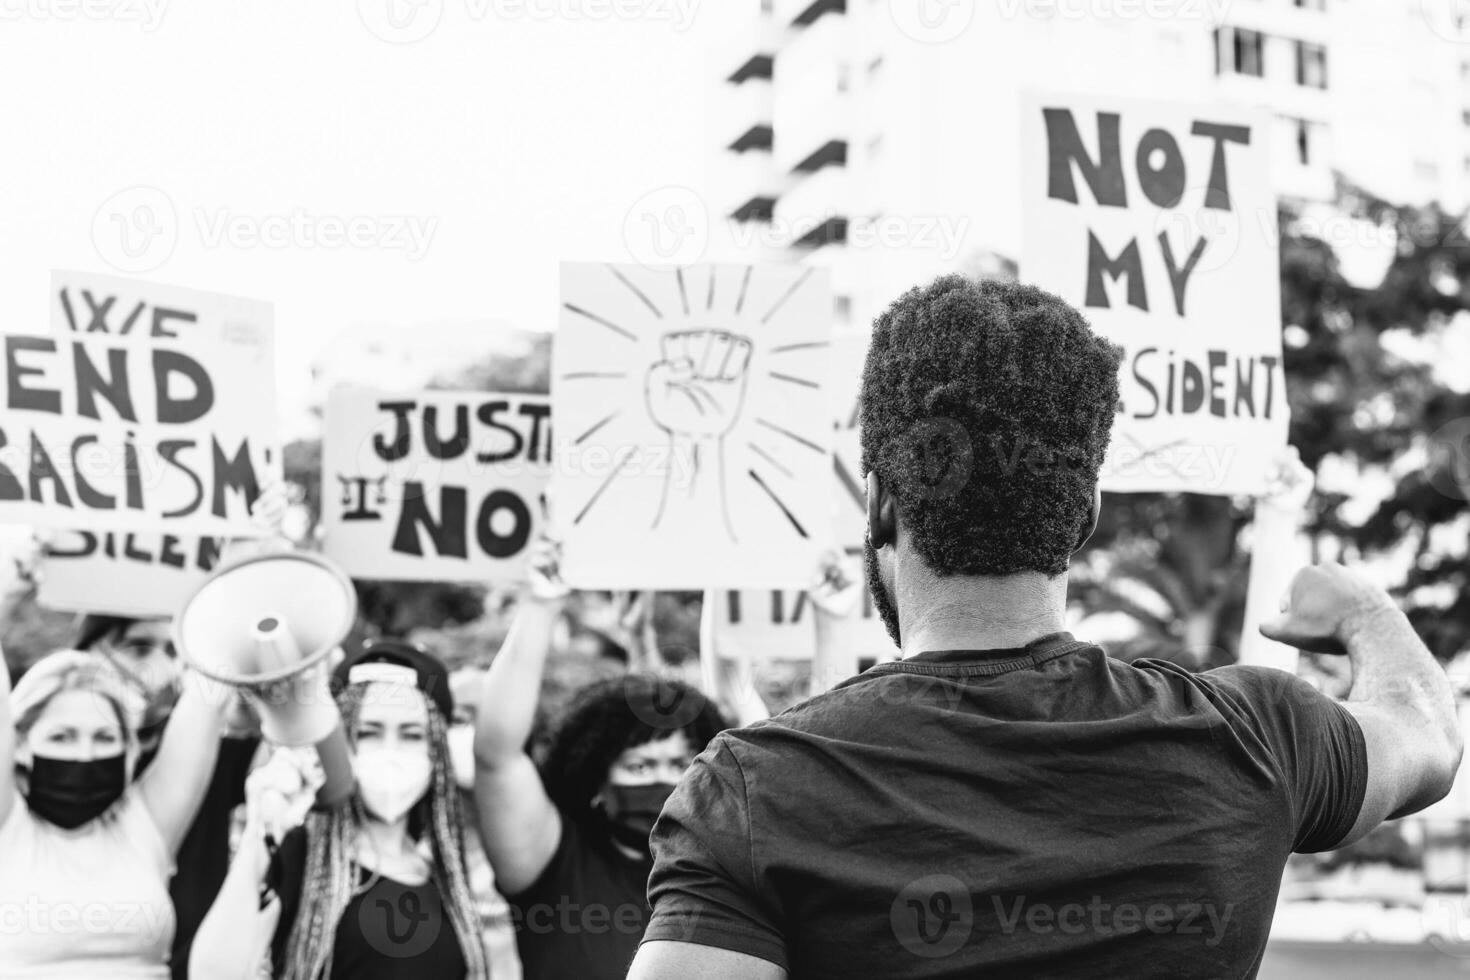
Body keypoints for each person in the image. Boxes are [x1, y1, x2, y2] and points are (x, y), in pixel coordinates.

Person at [628, 275, 1464, 980]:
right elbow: (1428, 736)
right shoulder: (1256, 738)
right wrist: (1365, 611)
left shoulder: (747, 795)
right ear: (1086, 513)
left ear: (880, 502)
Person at [473, 538, 727, 980]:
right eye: (640, 767)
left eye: (678, 765)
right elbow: (497, 755)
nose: (666, 782)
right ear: (595, 781)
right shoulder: (553, 861)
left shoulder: (718, 869)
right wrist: (540, 606)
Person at [190, 639, 489, 980]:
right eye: (368, 733)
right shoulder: (301, 854)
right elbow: (212, 973)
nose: (390, 751)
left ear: (436, 753)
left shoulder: (444, 876)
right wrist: (260, 834)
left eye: (411, 735)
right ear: (341, 741)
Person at [0, 644, 228, 978]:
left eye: (105, 737)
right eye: (62, 737)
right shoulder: (8, 826)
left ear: (128, 748)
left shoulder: (146, 823)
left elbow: (210, 691)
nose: (85, 754)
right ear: (20, 745)